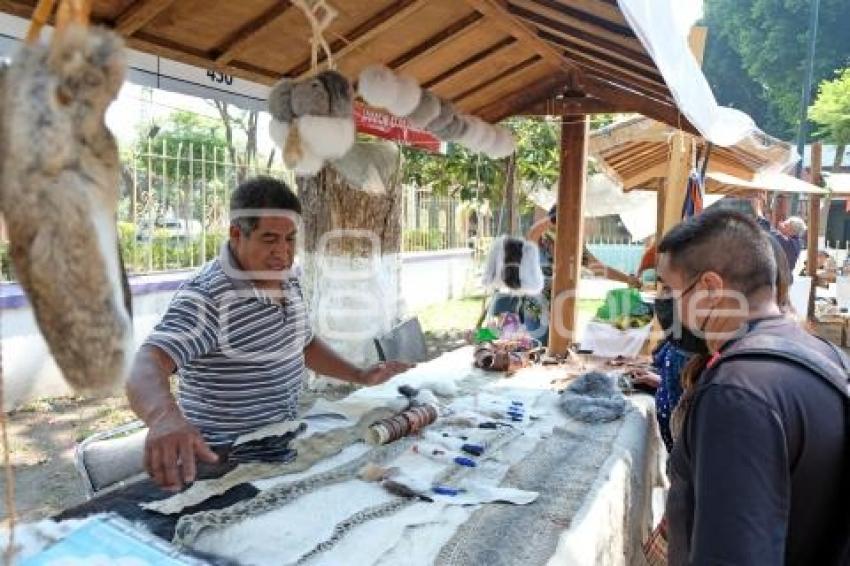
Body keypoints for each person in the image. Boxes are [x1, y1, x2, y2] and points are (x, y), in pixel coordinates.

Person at [126, 177, 412, 491]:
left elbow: (302, 344)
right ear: (237, 234)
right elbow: (146, 361)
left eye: (290, 239)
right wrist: (163, 416)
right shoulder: (207, 297)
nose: (283, 252)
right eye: (270, 239)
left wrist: (359, 375)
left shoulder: (285, 278)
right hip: (223, 458)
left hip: (284, 439)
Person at [656, 208, 847, 565]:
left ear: (710, 288)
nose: (665, 302)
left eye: (670, 288)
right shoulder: (827, 355)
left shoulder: (735, 393)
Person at [526, 205, 642, 288]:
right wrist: (554, 217)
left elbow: (599, 268)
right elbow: (534, 231)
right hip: (535, 312)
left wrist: (627, 279)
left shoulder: (576, 249)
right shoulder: (540, 243)